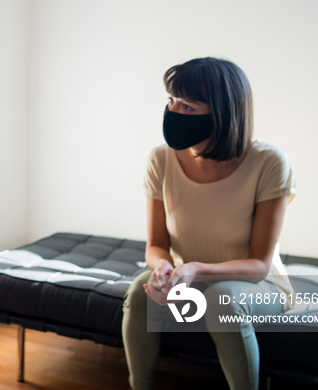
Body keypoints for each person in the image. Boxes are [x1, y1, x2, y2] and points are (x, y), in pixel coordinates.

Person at [121, 57, 295, 390]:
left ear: (223, 113)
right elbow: (156, 245)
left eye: (188, 107)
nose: (173, 112)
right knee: (140, 291)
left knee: (222, 298)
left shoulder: (269, 163)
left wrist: (197, 270)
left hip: (260, 286)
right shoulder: (161, 159)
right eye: (172, 101)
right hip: (194, 278)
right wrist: (161, 271)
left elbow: (259, 265)